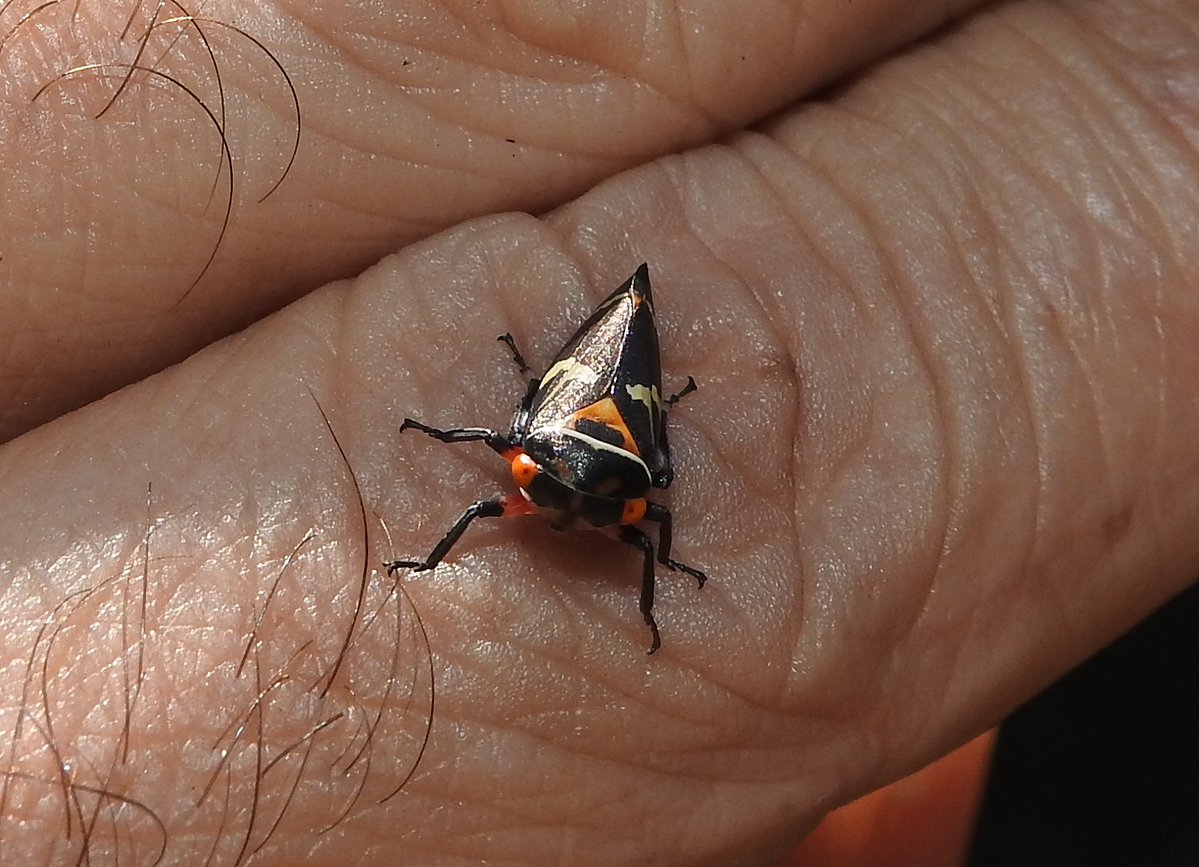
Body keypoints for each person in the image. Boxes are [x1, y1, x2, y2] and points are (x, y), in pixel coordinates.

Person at [1, 0, 1196, 864]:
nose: (562, 522)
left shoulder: (579, 493)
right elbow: (531, 466)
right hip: (585, 411)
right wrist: (563, 486)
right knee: (504, 482)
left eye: (589, 516)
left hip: (590, 411)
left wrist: (634, 535)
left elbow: (581, 478)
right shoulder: (556, 489)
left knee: (532, 476)